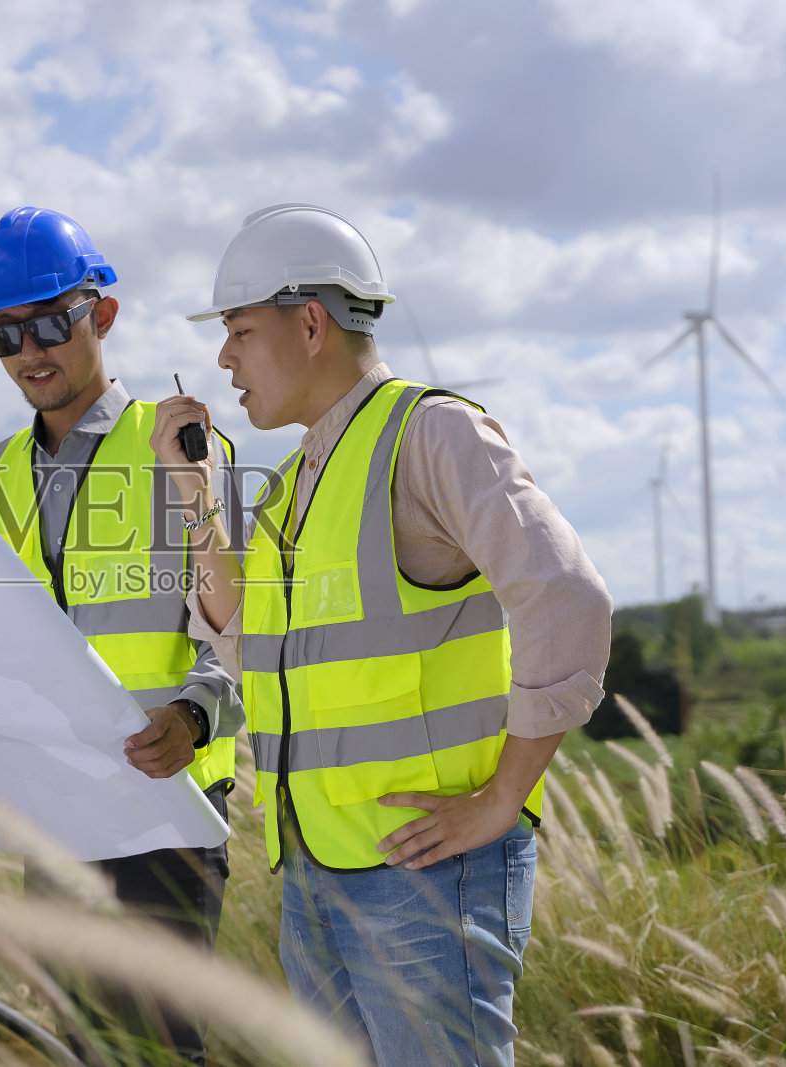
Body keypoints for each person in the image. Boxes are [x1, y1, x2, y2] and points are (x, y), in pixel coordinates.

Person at [167, 203, 611, 1066]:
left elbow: (567, 598)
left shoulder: (431, 433)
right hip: (314, 870)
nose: (224, 359)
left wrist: (502, 796)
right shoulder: (294, 479)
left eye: (239, 331)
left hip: (427, 879)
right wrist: (194, 494)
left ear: (309, 323)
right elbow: (253, 651)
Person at [0, 206, 241, 1063]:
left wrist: (194, 719)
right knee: (69, 1045)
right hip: (56, 810)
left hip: (167, 805)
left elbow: (248, 626)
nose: (30, 353)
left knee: (157, 1046)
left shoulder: (180, 448)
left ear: (102, 317)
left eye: (50, 323)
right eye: (5, 335)